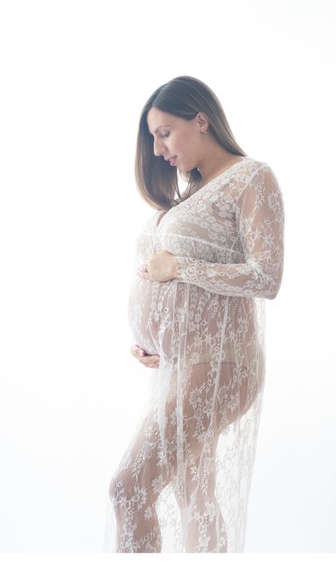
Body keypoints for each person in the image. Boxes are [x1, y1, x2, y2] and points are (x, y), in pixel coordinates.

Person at [104, 76, 284, 553]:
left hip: (221, 361)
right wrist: (152, 339)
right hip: (181, 363)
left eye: (164, 133)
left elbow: (266, 277)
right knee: (193, 495)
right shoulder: (193, 192)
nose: (157, 148)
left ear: (200, 119)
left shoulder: (252, 177)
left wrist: (179, 267)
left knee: (129, 487)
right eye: (152, 138)